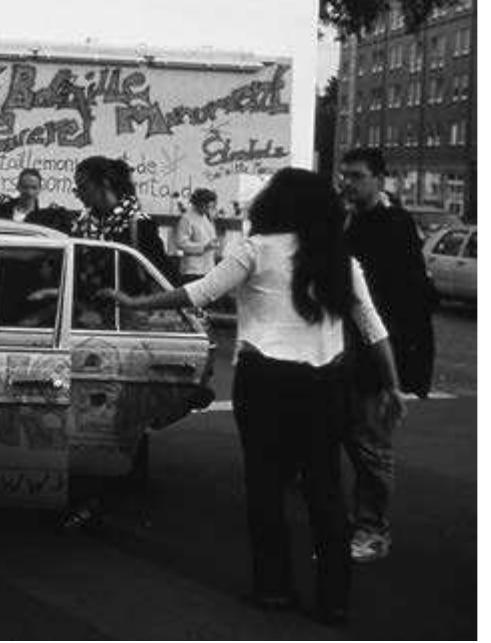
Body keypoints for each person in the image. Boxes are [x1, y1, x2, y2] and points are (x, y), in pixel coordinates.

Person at [100, 168, 405, 627]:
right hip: (327, 382)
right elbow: (372, 326)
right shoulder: (342, 257)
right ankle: (333, 599)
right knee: (325, 486)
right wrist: (393, 385)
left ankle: (273, 588)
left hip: (265, 378)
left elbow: (198, 293)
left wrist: (136, 303)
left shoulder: (255, 249)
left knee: (265, 484)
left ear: (275, 203)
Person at [338, 147, 437, 564]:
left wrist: (393, 367)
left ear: (380, 179)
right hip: (345, 350)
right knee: (349, 436)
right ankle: (359, 519)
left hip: (376, 354)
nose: (348, 183)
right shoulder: (347, 220)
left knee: (372, 443)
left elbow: (409, 300)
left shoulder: (394, 225)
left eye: (357, 176)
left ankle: (373, 529)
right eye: (344, 175)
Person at [70, 156, 173, 277]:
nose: (79, 195)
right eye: (76, 189)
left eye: (83, 187)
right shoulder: (81, 225)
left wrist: (128, 297)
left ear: (105, 183)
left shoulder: (139, 226)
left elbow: (163, 275)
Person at [0, 167, 75, 232]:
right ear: (18, 187)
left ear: (40, 189)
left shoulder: (46, 217)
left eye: (33, 188)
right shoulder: (0, 207)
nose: (29, 192)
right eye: (25, 187)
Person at [174, 188, 221, 283]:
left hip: (207, 268)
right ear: (199, 204)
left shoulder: (206, 217)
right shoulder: (187, 218)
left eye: (210, 207)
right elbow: (181, 243)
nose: (208, 209)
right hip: (192, 270)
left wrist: (214, 243)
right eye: (207, 207)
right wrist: (204, 246)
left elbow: (209, 237)